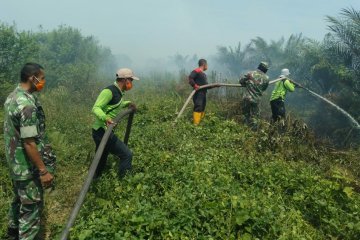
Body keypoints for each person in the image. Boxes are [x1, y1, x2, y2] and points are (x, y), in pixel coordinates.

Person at [4, 63, 56, 240]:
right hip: (27, 167)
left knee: (19, 200)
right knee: (31, 208)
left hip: (15, 164)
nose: (43, 82)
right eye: (42, 78)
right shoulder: (27, 105)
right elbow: (29, 143)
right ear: (32, 78)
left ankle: (12, 233)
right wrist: (43, 170)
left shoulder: (13, 97)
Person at [92, 68, 138, 179]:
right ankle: (124, 183)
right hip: (102, 131)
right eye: (131, 80)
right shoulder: (109, 91)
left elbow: (115, 105)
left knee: (101, 158)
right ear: (125, 80)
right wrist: (105, 118)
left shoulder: (119, 92)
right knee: (126, 155)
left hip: (102, 131)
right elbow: (96, 108)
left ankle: (95, 179)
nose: (132, 83)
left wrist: (128, 103)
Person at [239, 62, 270, 127]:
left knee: (245, 115)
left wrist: (247, 84)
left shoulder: (251, 73)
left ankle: (244, 129)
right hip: (256, 99)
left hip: (247, 98)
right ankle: (254, 131)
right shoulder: (267, 78)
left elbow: (241, 81)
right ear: (265, 69)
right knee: (255, 117)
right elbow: (264, 88)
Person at [188, 59, 209, 125]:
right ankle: (196, 125)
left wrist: (216, 86)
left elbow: (206, 86)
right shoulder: (197, 71)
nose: (207, 66)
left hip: (203, 93)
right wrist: (194, 85)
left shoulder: (203, 74)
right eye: (207, 65)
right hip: (198, 93)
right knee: (198, 107)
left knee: (202, 107)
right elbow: (190, 78)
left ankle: (200, 122)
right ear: (204, 64)